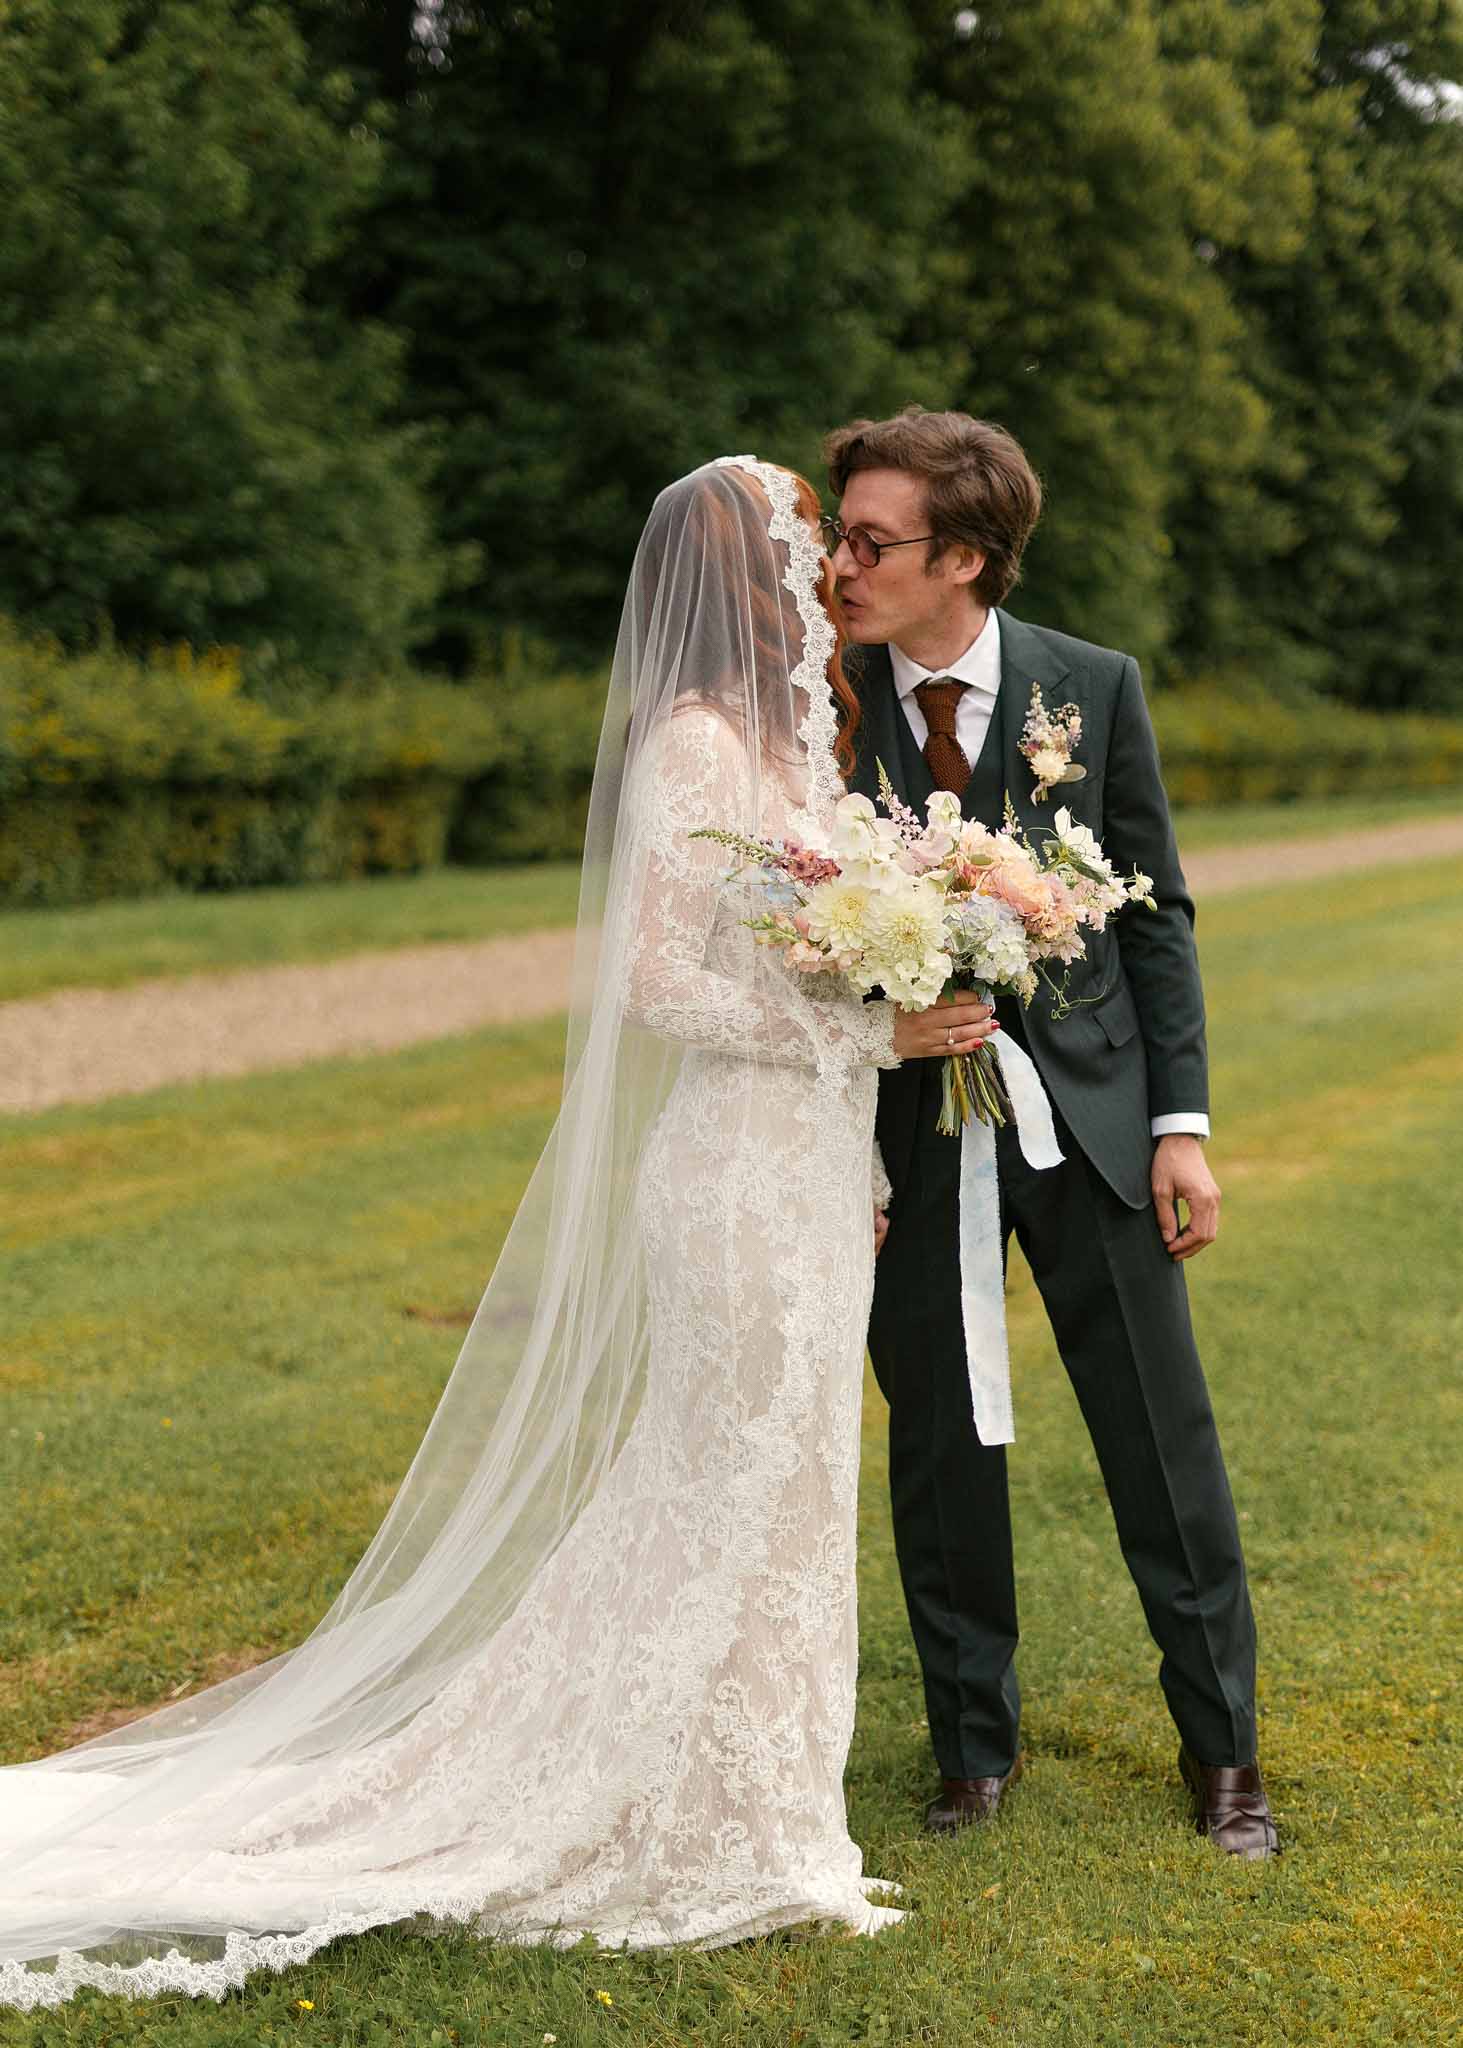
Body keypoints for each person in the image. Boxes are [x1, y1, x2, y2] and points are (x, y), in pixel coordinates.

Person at [0, 457, 995, 2013]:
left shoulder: (795, 747)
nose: (832, 569)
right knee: (721, 1480)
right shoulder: (694, 745)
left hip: (806, 1171)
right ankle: (678, 1816)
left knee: (789, 1487)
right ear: (751, 572)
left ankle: (755, 1808)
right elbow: (656, 985)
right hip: (730, 1175)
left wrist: (861, 1138)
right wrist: (873, 1038)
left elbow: (804, 958)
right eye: (811, 540)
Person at [827, 406, 1278, 1859]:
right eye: (842, 536)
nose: (841, 567)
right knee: (938, 1445)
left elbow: (1157, 917)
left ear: (963, 557)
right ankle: (972, 1750)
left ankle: (1224, 1755)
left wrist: (1180, 1127)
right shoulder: (817, 698)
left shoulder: (1093, 685)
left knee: (1162, 1439)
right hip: (908, 1132)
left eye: (872, 542)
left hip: (1092, 1121)